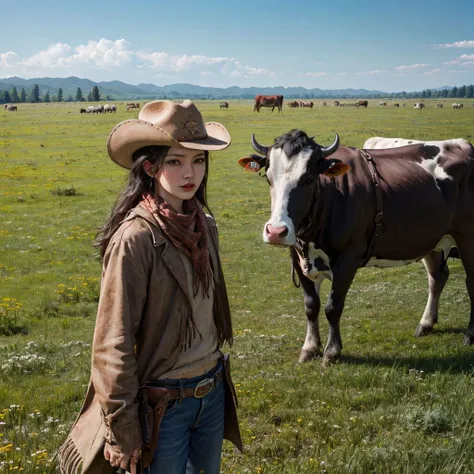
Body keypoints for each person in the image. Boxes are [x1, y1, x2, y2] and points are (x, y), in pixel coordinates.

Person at [59, 100, 242, 474]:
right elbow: (112, 342)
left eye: (199, 160)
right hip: (162, 405)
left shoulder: (206, 226)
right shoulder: (136, 238)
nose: (190, 172)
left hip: (212, 391)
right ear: (150, 166)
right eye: (175, 161)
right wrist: (122, 426)